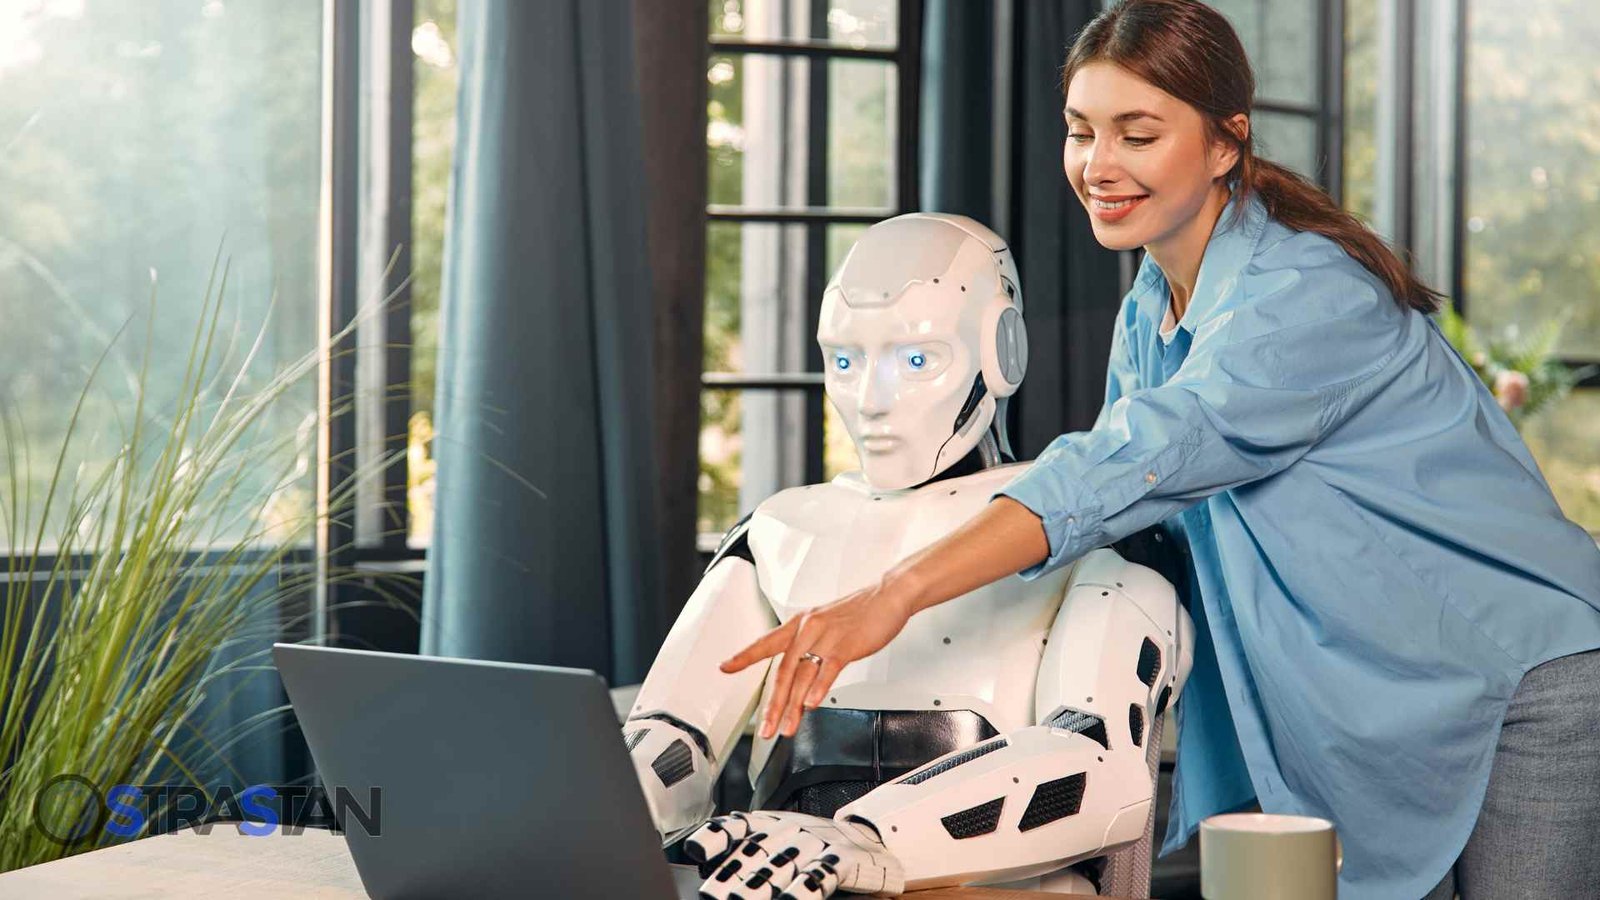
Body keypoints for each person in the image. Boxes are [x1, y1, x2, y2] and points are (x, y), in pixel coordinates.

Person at [718, 2, 1600, 899]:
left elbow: (1127, 468)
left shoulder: (1304, 294)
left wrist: (897, 593)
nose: (1099, 167)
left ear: (1225, 143)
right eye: (1079, 132)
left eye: (1137, 135)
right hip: (1385, 700)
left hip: (1521, 682)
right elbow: (1131, 526)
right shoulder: (1151, 305)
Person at [624, 211, 1196, 898]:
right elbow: (670, 740)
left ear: (1000, 352)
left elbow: (1096, 765)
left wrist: (869, 839)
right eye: (845, 360)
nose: (871, 400)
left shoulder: (1087, 529)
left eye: (917, 360)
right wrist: (604, 823)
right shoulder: (779, 533)